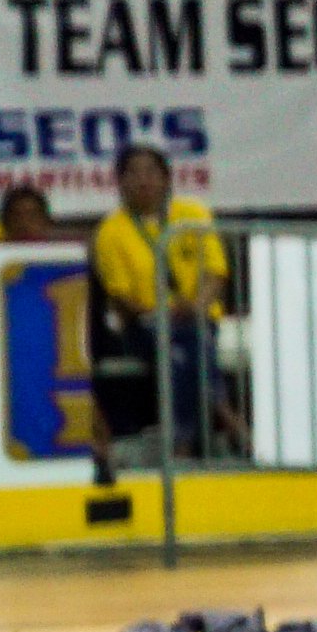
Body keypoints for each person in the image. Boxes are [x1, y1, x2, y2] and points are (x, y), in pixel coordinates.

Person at [88, 142, 233, 466]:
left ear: (167, 179)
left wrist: (195, 306)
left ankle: (185, 444)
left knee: (188, 344)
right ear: (120, 182)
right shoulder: (110, 232)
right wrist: (165, 313)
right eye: (134, 173)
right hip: (145, 326)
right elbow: (121, 297)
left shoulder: (192, 214)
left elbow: (216, 271)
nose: (144, 180)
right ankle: (223, 419)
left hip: (197, 318)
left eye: (152, 172)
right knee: (183, 352)